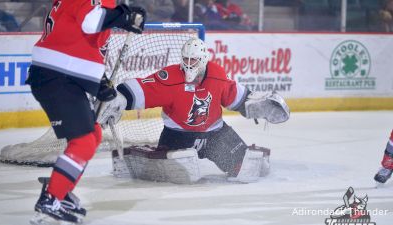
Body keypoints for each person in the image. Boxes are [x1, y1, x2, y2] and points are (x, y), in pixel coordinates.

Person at [97, 37, 290, 182]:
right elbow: (147, 87)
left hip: (216, 136)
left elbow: (233, 95)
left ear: (203, 59)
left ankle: (234, 159)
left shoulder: (218, 75)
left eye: (194, 60)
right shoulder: (171, 77)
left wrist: (253, 104)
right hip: (179, 136)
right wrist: (122, 97)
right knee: (181, 176)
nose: (189, 64)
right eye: (186, 59)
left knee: (246, 168)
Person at [25, 0, 145, 223]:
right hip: (57, 74)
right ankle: (51, 199)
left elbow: (76, 37)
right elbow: (90, 22)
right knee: (83, 142)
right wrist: (122, 17)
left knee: (94, 134)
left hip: (61, 73)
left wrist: (99, 81)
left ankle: (61, 192)